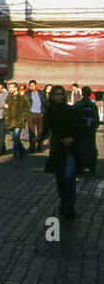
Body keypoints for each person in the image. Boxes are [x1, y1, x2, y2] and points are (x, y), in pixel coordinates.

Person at [45, 85, 86, 220]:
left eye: (62, 94)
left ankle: (69, 208)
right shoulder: (50, 112)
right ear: (52, 96)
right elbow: (46, 130)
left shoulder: (71, 110)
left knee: (69, 178)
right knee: (61, 180)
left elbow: (80, 128)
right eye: (57, 94)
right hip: (57, 151)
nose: (60, 96)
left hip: (71, 150)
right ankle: (65, 203)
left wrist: (72, 138)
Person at [74, 86, 99, 177]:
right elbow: (96, 119)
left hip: (79, 129)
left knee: (80, 146)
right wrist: (94, 127)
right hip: (90, 129)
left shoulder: (78, 104)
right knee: (91, 146)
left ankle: (80, 165)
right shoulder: (93, 106)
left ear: (82, 93)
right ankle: (90, 164)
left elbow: (73, 116)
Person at [5, 83, 30, 158]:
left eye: (11, 88)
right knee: (15, 137)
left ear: (16, 88)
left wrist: (24, 117)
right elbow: (6, 108)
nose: (10, 89)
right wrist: (5, 116)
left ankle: (14, 153)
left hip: (19, 120)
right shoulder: (8, 97)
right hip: (10, 121)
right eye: (9, 88)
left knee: (16, 136)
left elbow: (27, 108)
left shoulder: (22, 97)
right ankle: (22, 150)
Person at [27, 80, 44, 151]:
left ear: (36, 85)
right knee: (32, 132)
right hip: (31, 114)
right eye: (31, 86)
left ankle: (39, 146)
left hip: (40, 114)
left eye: (33, 85)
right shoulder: (27, 94)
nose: (32, 87)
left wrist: (43, 112)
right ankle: (32, 146)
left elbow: (44, 103)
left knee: (40, 131)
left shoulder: (41, 93)